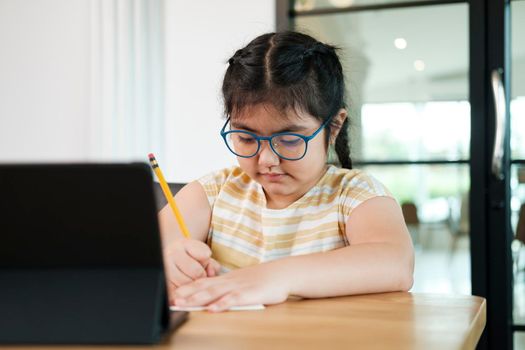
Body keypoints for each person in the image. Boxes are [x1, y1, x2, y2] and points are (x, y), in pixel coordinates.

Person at [159, 31, 414, 312]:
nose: (267, 159)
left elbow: (396, 262)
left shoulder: (354, 195)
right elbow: (140, 257)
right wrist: (169, 259)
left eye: (290, 140)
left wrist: (275, 276)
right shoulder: (212, 193)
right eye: (246, 138)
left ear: (334, 127)